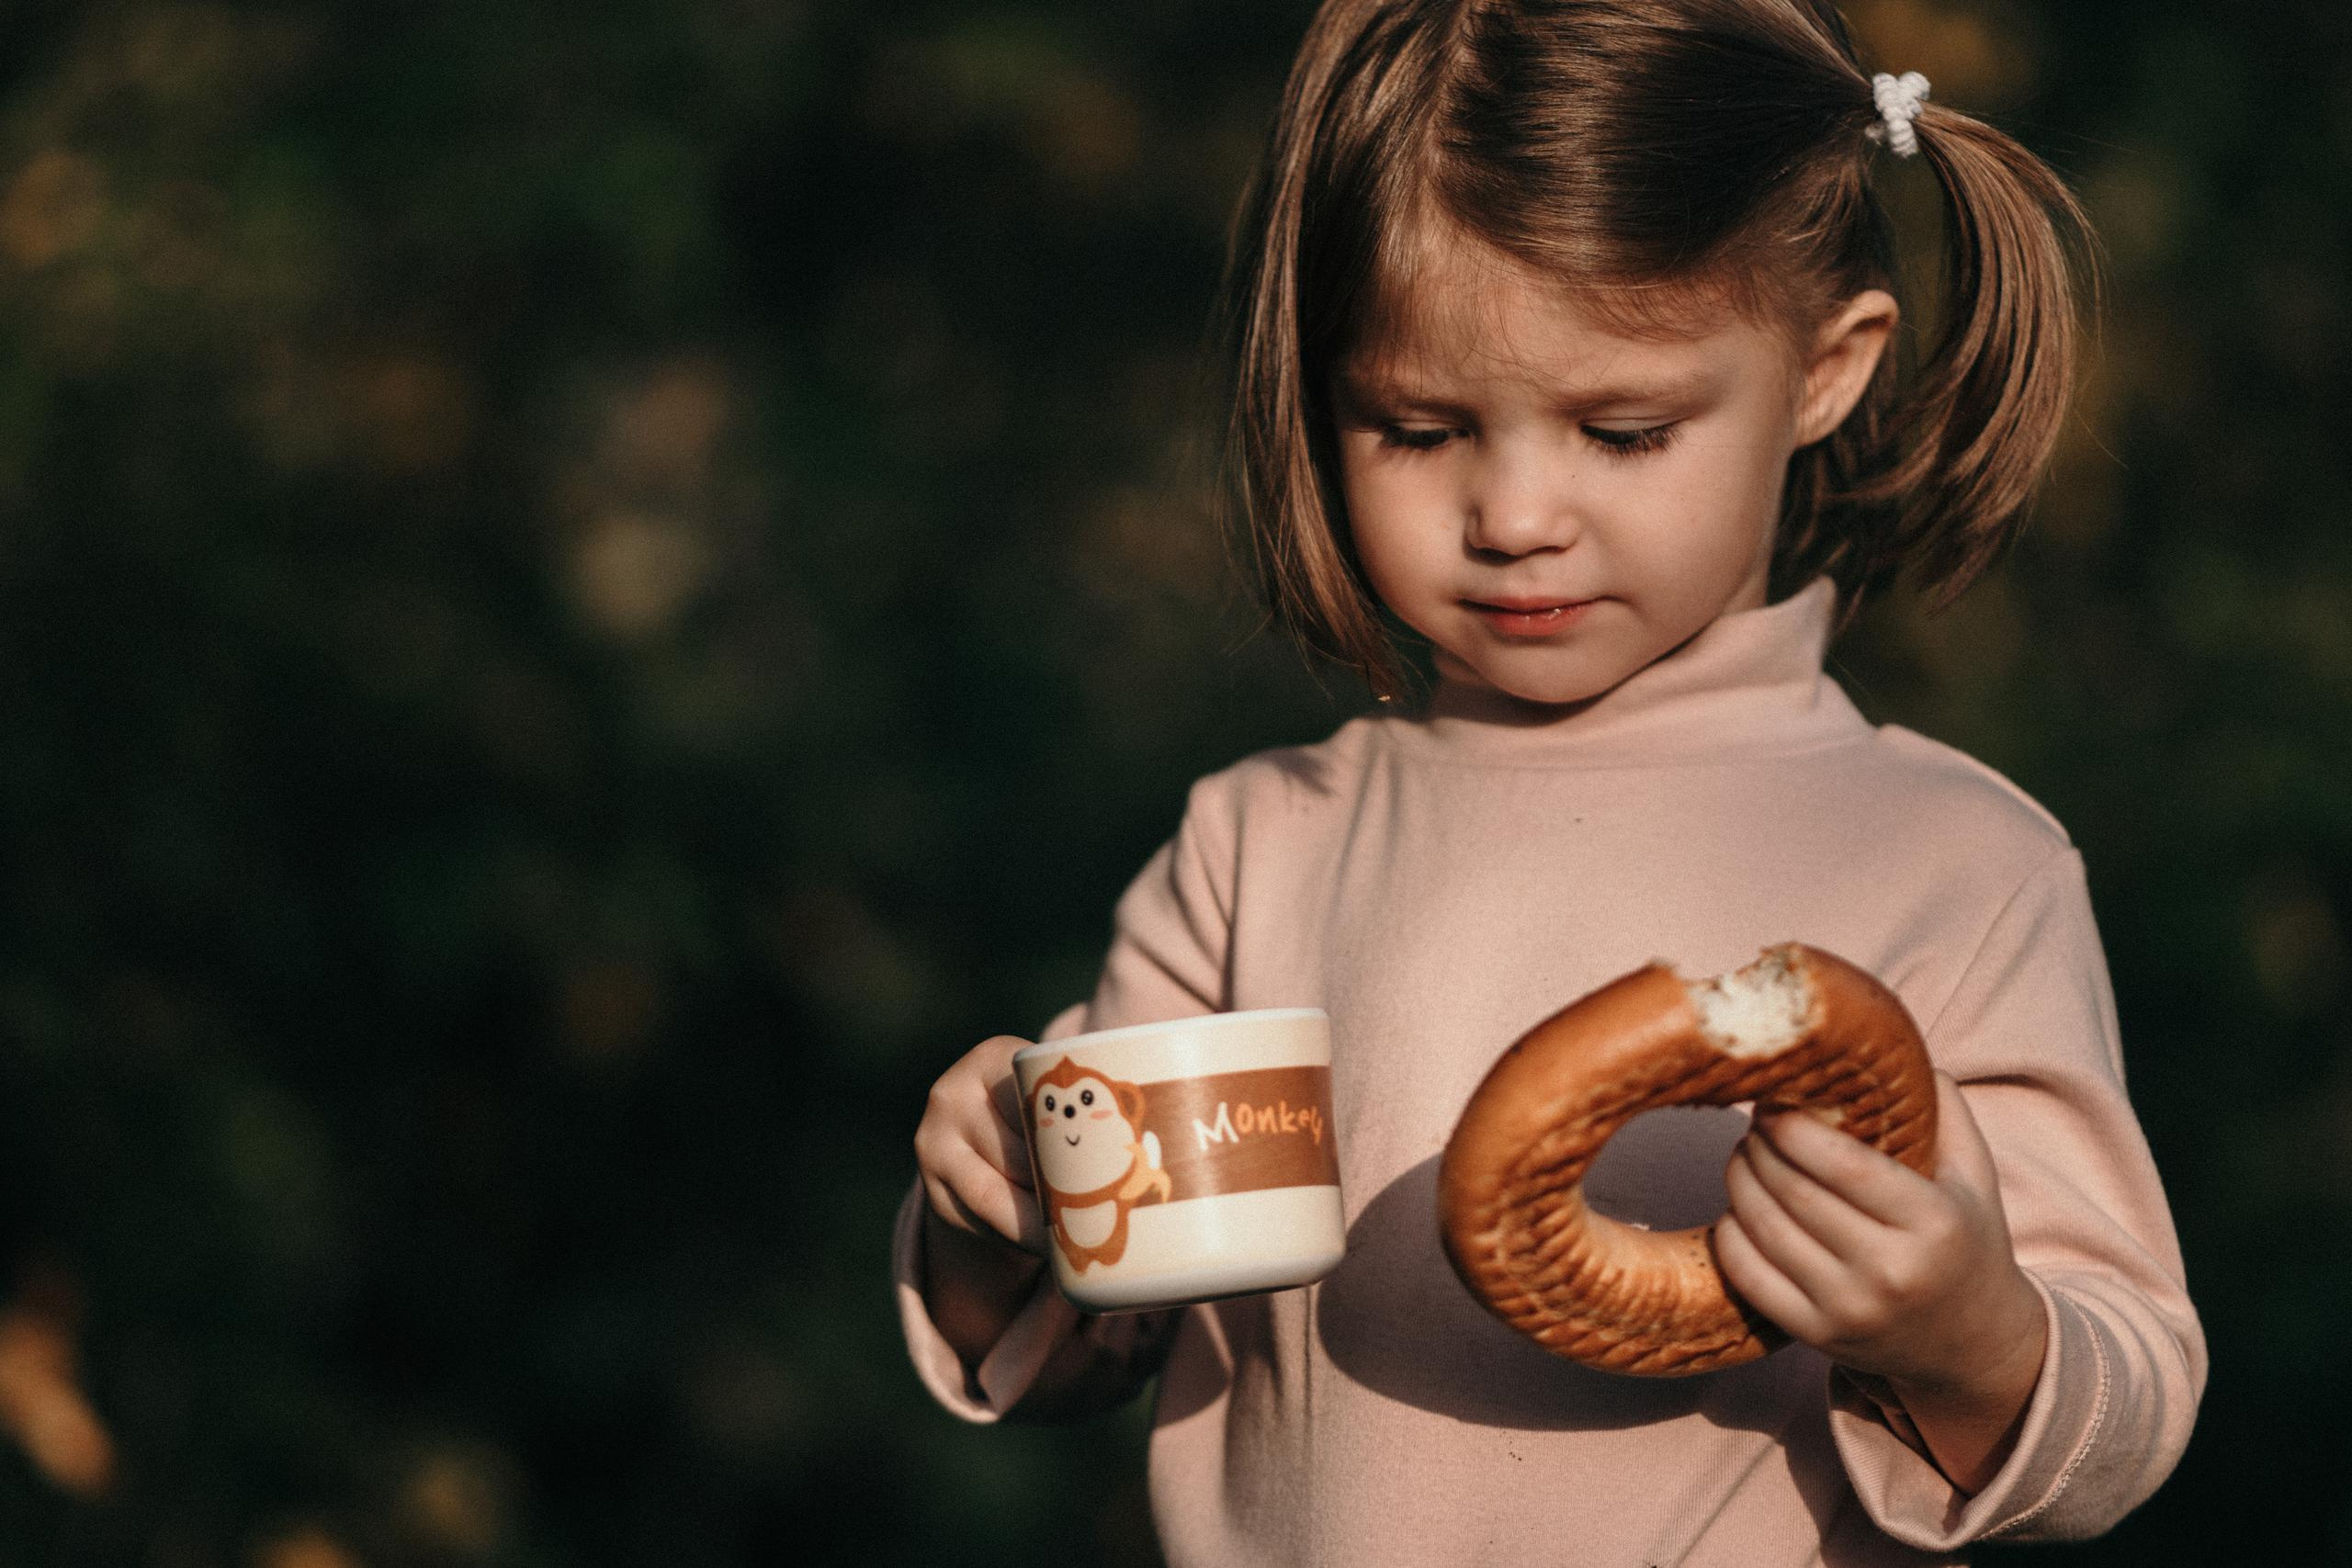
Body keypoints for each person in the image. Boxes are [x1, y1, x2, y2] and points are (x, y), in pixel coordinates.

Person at [899, 1, 2205, 1562]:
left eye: (1625, 430)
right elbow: (1092, 1343)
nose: (1514, 514)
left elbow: (2122, 1403)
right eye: (1420, 426)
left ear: (1824, 372)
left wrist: (1969, 1330)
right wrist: (1001, 1224)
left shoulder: (1950, 860)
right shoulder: (1264, 843)